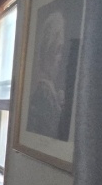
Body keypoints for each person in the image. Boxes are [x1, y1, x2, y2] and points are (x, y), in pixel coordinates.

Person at [27, 11, 70, 140]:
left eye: (61, 50)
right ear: (47, 51)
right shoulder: (44, 94)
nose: (60, 59)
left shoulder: (49, 92)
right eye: (57, 50)